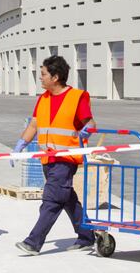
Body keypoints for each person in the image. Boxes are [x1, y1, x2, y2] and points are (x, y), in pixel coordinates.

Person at [13, 55, 96, 255]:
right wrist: (21, 144)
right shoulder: (43, 99)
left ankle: (33, 242)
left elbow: (90, 123)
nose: (40, 77)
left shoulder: (78, 97)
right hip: (47, 159)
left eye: (43, 74)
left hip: (65, 160)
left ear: (55, 77)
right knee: (66, 198)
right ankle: (88, 236)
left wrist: (87, 130)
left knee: (51, 200)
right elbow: (34, 124)